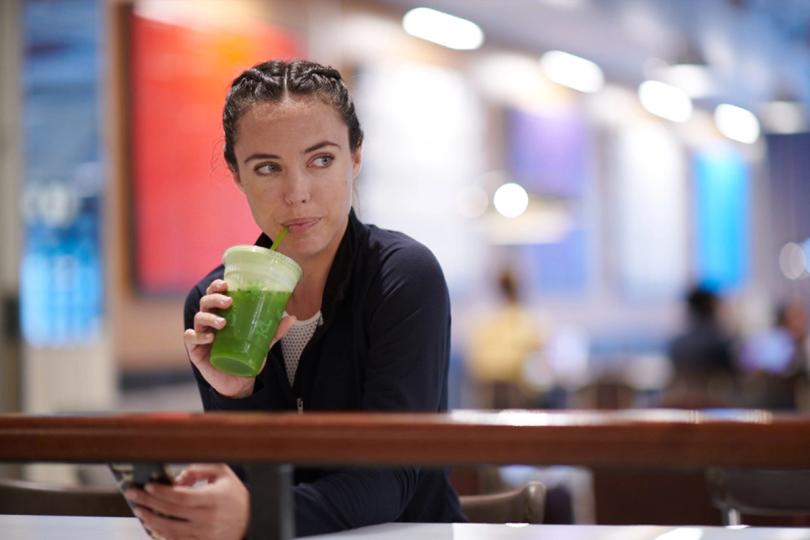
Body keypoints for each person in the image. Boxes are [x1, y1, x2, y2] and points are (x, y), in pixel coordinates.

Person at [124, 59, 464, 539]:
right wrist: (236, 391)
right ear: (237, 175)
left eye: (321, 160)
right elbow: (246, 483)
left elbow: (391, 480)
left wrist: (256, 516)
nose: (296, 193)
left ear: (356, 157)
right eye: (267, 168)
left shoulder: (403, 277)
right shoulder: (213, 301)